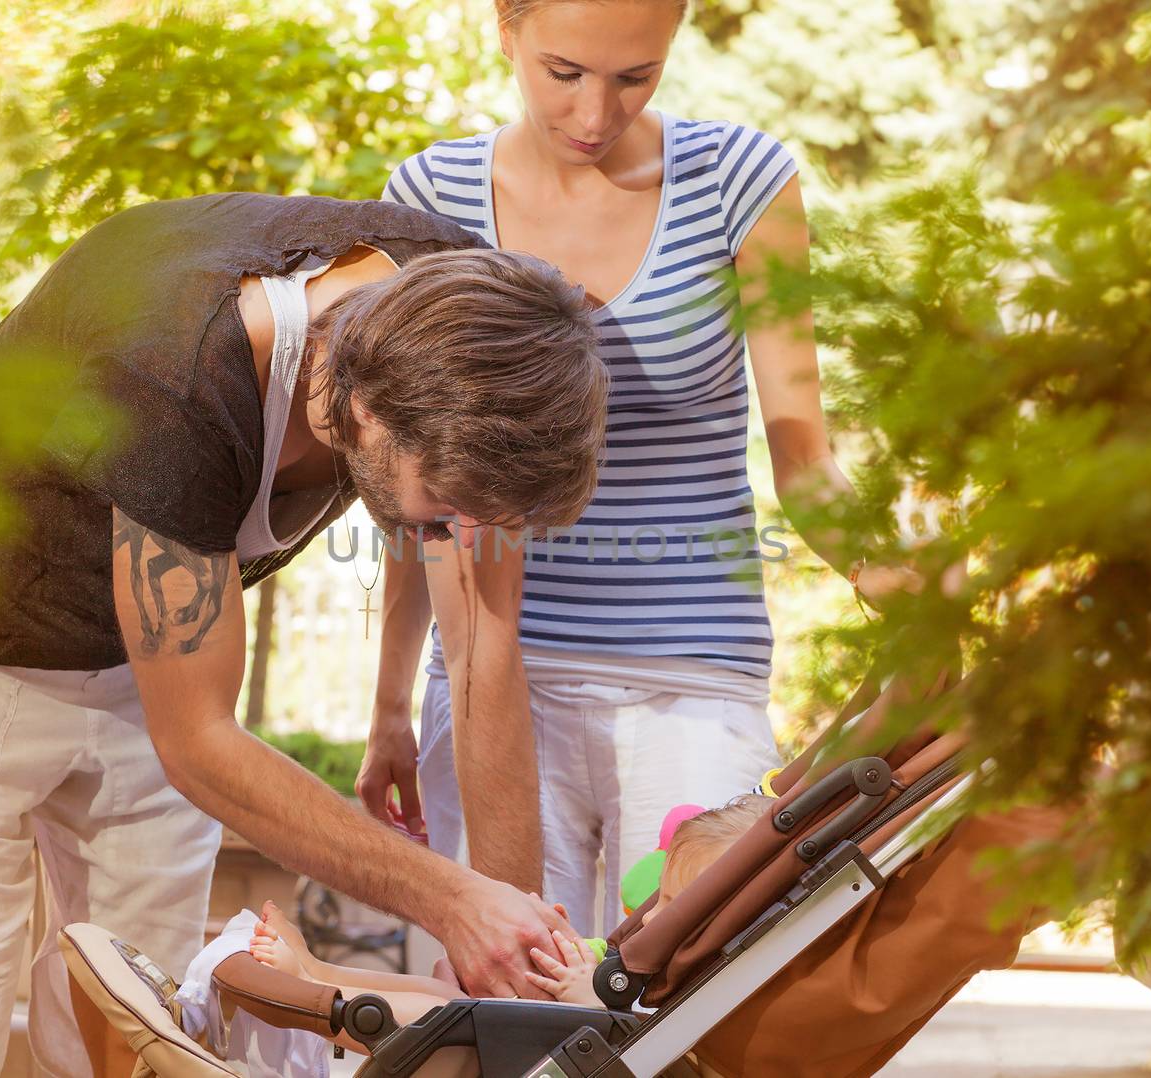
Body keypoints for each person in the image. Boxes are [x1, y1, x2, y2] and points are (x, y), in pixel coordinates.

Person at [0, 192, 609, 1077]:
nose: (458, 544)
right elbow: (198, 742)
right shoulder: (179, 374)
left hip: (146, 656)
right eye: (439, 520)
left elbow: (480, 645)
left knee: (138, 1030)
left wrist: (509, 967)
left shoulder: (479, 332)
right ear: (371, 412)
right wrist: (451, 900)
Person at [360, 0, 921, 938]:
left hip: (693, 678)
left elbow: (805, 457)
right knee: (503, 1004)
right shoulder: (432, 194)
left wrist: (901, 583)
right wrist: (389, 704)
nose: (594, 116)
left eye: (636, 77)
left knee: (681, 993)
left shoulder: (739, 180)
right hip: (499, 677)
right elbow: (421, 488)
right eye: (564, 73)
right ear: (505, 27)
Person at [240, 796, 775, 1059]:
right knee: (442, 996)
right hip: (555, 1036)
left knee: (445, 1020)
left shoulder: (713, 995)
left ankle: (322, 1002)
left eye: (674, 906)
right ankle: (317, 972)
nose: (653, 918)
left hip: (567, 1052)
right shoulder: (670, 973)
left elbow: (648, 1040)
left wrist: (588, 1000)